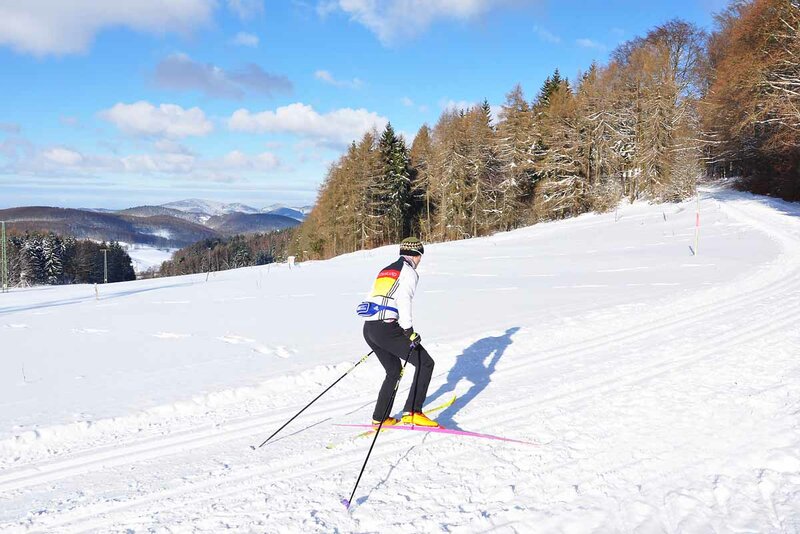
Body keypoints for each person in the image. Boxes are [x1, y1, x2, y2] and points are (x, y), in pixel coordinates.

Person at [360, 237, 438, 427]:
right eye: (420, 257)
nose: (419, 261)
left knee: (394, 371)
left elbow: (373, 296)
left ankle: (380, 418)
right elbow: (404, 300)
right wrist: (409, 331)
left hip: (370, 328)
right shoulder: (409, 272)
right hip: (386, 328)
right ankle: (412, 412)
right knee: (425, 363)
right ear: (417, 255)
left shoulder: (387, 269)